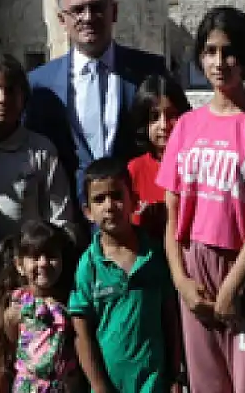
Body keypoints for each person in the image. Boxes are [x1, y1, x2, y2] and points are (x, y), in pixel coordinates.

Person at [159, 5, 245, 393]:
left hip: (244, 265)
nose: (220, 62)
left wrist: (235, 283)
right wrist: (181, 281)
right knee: (207, 384)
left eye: (229, 52)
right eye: (211, 51)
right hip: (195, 268)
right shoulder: (186, 126)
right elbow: (172, 212)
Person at [27, 0, 173, 193]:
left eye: (96, 7)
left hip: (136, 212)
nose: (87, 17)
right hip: (69, 216)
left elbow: (179, 131)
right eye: (77, 10)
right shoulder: (39, 84)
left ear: (113, 11)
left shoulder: (149, 71)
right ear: (61, 20)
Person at [70, 157, 178, 393]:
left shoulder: (154, 255)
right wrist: (98, 386)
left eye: (117, 196)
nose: (109, 205)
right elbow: (81, 332)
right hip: (111, 386)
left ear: (134, 201)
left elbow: (170, 317)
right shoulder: (89, 266)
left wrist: (175, 375)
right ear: (88, 212)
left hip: (155, 383)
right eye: (99, 199)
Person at [0, 52, 78, 243]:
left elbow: (60, 219)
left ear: (23, 96)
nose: (3, 99)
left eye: (11, 90)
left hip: (29, 264)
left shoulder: (41, 151)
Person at [0, 220, 83, 393]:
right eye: (35, 256)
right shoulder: (16, 305)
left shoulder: (70, 300)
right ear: (19, 265)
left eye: (51, 255)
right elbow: (11, 345)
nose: (43, 263)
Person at [127, 76, 191, 242]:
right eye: (154, 117)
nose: (163, 125)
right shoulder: (134, 169)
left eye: (171, 115)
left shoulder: (195, 166)